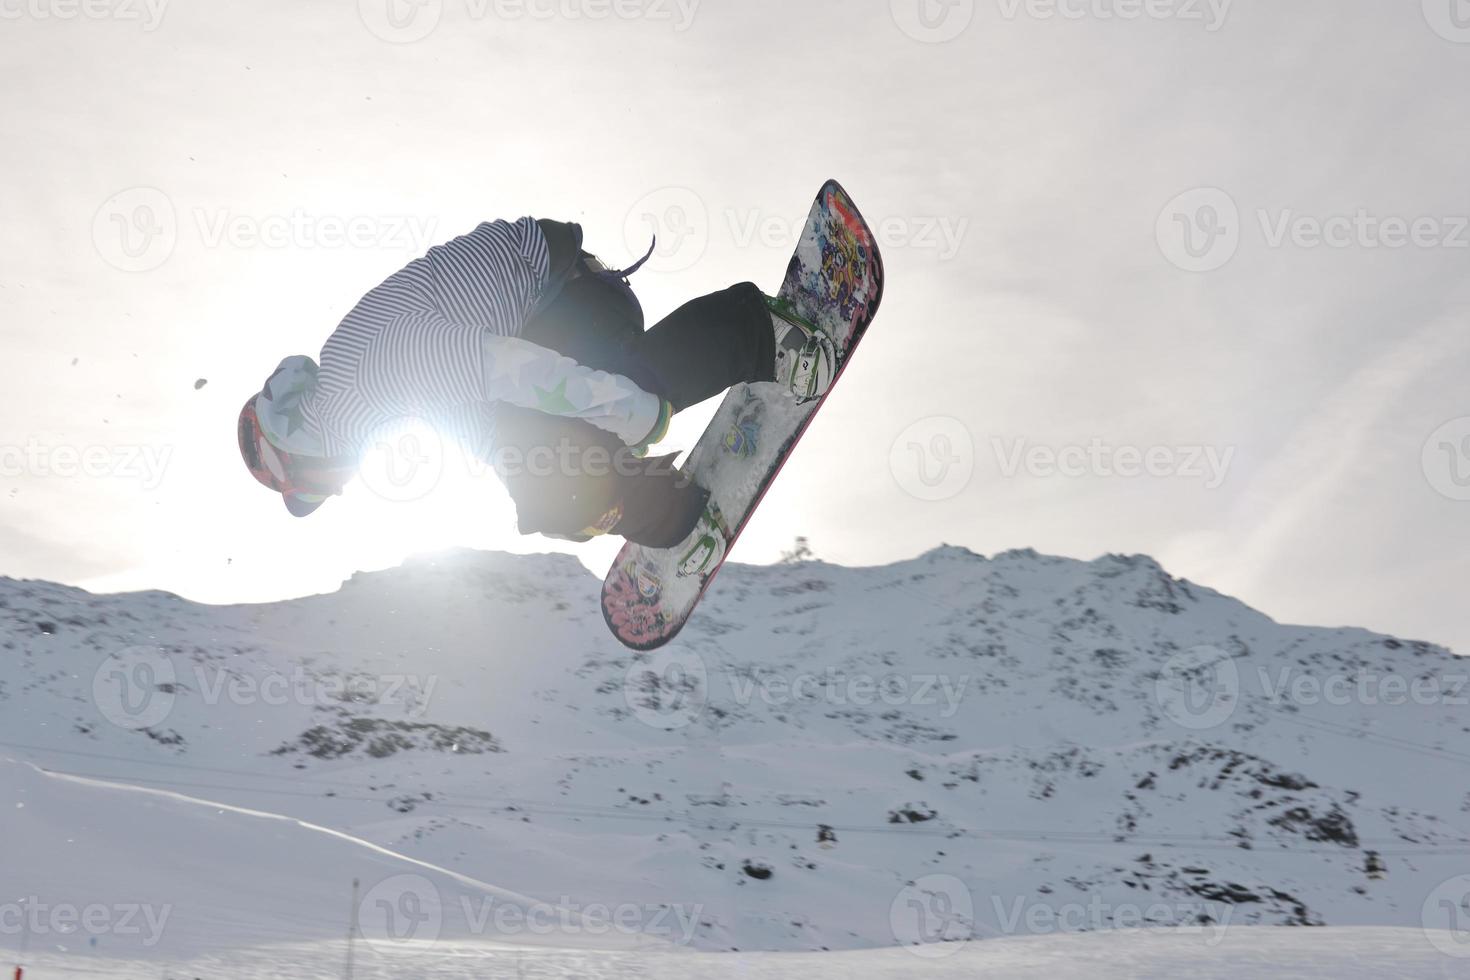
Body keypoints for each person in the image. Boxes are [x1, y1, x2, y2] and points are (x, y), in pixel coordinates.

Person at [237, 216, 835, 574]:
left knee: (580, 452)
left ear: (296, 450)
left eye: (312, 488)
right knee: (552, 491)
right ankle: (668, 507)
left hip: (564, 294)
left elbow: (510, 370)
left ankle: (758, 333)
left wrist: (633, 410)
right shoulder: (367, 405)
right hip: (556, 308)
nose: (334, 491)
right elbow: (482, 431)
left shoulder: (366, 371)